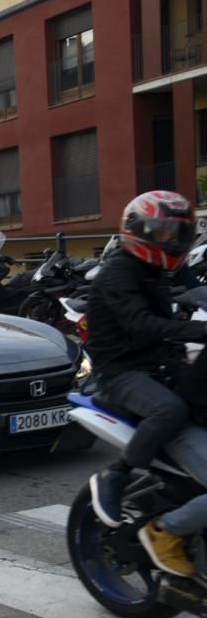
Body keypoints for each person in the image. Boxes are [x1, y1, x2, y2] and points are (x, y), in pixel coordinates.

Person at [86, 191, 207, 577]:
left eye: (178, 232)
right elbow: (140, 324)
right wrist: (201, 330)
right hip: (120, 374)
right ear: (138, 230)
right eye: (162, 231)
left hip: (159, 366)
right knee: (168, 409)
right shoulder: (118, 271)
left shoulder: (159, 269)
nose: (171, 239)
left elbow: (195, 285)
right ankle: (119, 474)